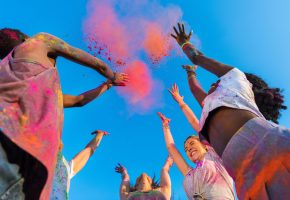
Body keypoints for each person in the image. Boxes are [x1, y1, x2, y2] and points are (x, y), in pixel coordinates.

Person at [171, 23, 290, 199]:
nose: (211, 85)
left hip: (277, 146)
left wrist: (185, 45)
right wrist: (190, 73)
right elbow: (195, 90)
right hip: (248, 180)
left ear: (250, 86)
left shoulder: (236, 79)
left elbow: (197, 57)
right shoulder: (209, 105)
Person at [0, 28, 128, 199]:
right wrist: (113, 76)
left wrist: (105, 86)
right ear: (25, 39)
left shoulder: (9, 74)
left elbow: (78, 100)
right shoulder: (40, 41)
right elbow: (99, 65)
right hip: (25, 156)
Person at [158, 112, 235, 200]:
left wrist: (181, 103)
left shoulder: (214, 157)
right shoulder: (190, 174)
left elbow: (195, 123)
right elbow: (171, 148)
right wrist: (166, 127)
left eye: (192, 143)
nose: (189, 149)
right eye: (186, 149)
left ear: (205, 145)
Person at [50, 130, 108, 200]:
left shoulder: (63, 167)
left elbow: (88, 151)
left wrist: (100, 135)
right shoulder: (63, 168)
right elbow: (89, 151)